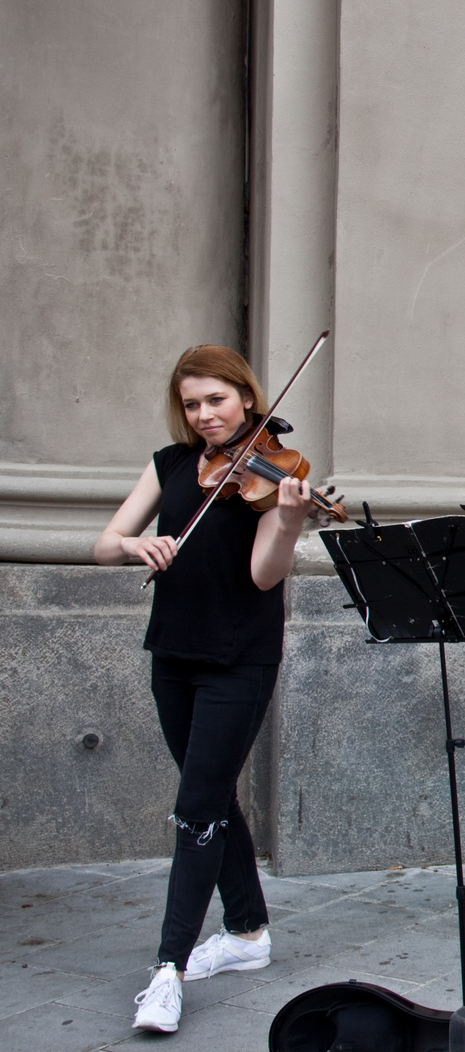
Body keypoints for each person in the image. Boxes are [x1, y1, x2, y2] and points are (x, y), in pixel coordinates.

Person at [95, 346, 316, 1034]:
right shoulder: (171, 465)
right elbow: (105, 541)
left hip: (238, 659)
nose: (205, 414)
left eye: (216, 400)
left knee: (195, 811)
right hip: (173, 653)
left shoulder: (270, 474)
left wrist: (285, 519)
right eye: (192, 403)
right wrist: (136, 547)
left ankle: (167, 971)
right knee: (212, 793)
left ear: (247, 399)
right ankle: (248, 934)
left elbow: (262, 576)